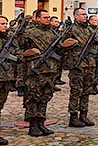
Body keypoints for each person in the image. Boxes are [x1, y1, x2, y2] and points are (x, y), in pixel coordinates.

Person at [20, 9, 77, 137]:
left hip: (50, 69)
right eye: (45, 17)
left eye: (48, 17)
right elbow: (21, 47)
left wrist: (65, 47)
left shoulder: (53, 33)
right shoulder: (30, 33)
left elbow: (58, 50)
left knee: (45, 96)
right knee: (33, 97)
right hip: (36, 70)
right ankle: (33, 124)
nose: (47, 19)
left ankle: (41, 122)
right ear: (37, 18)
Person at [65, 8, 98, 128]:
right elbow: (62, 45)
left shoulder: (89, 29)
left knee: (86, 91)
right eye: (82, 15)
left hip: (90, 64)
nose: (84, 16)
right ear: (75, 16)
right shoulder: (71, 30)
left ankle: (83, 114)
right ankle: (73, 116)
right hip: (77, 64)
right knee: (76, 91)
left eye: (85, 15)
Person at [0, 15, 18, 145]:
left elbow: (16, 54)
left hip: (6, 77)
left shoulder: (9, 38)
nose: (5, 26)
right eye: (2, 23)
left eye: (6, 23)